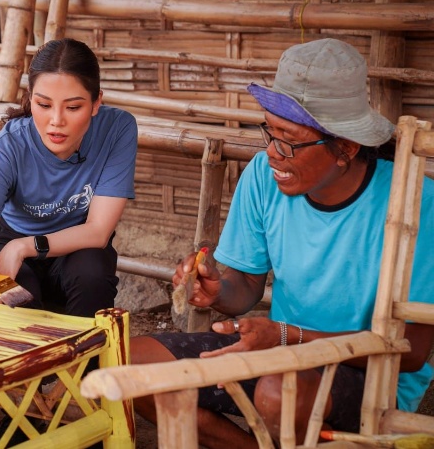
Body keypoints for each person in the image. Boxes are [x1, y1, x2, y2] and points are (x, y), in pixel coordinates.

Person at [130, 38, 434, 448]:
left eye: (288, 139)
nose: (272, 153)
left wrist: (289, 336)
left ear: (345, 147)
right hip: (280, 350)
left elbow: (411, 352)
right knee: (134, 363)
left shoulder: (414, 203)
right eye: (268, 133)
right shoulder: (262, 176)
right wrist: (218, 289)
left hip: (369, 373)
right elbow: (246, 289)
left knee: (278, 392)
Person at [0, 38, 138, 318]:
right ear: (30, 99)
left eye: (73, 107)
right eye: (44, 105)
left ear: (96, 102)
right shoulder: (6, 147)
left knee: (93, 275)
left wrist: (24, 247)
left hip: (75, 243)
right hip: (7, 238)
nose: (56, 120)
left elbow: (98, 231)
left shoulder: (117, 129)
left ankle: (88, 361)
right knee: (16, 303)